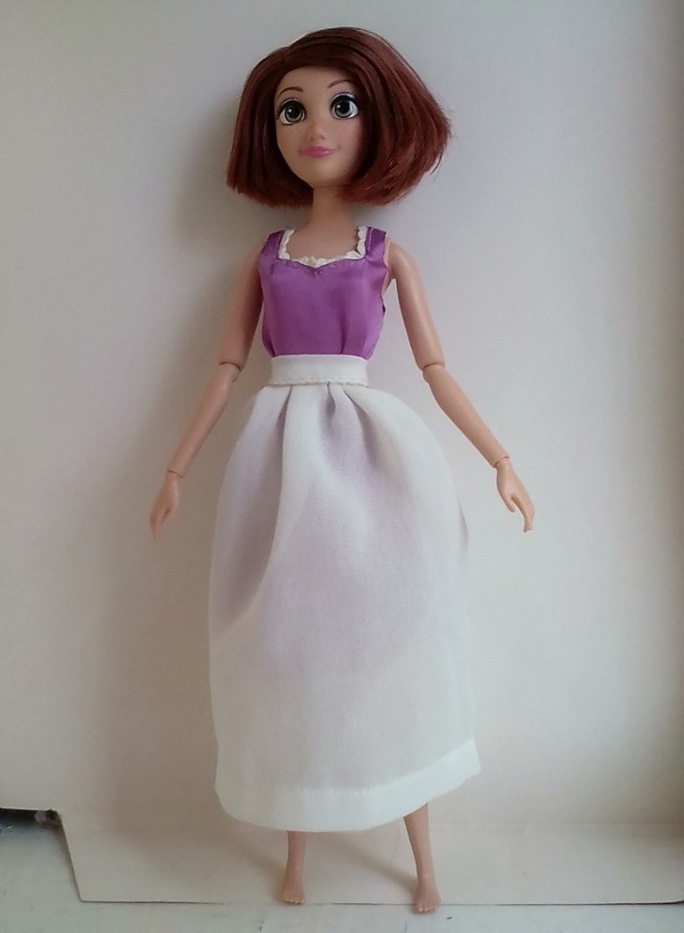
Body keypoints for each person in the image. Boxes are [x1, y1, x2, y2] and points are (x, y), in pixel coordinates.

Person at [150, 26, 534, 913]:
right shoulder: (265, 258)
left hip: (374, 461)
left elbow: (436, 369)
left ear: (379, 122)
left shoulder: (384, 255)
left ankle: (424, 857)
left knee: (392, 656)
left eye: (342, 105)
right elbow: (225, 366)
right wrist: (175, 468)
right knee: (291, 656)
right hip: (280, 465)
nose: (316, 126)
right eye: (293, 110)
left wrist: (501, 458)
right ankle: (297, 856)